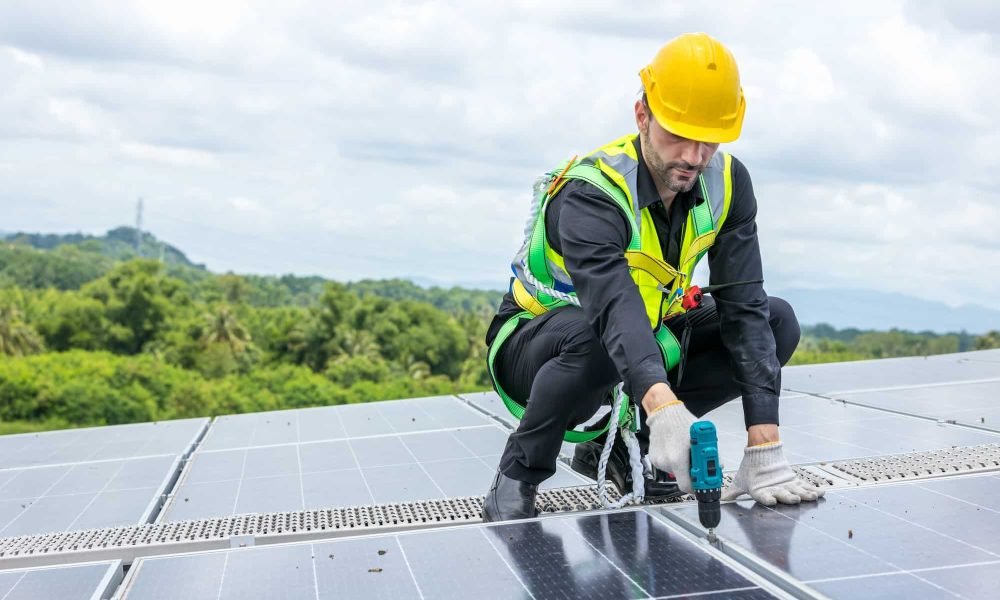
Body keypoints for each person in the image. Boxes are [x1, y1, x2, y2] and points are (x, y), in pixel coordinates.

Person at [481, 32, 824, 522]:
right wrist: (664, 404)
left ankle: (630, 444)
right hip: (541, 346)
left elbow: (743, 304)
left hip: (641, 338)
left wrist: (764, 444)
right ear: (642, 115)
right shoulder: (592, 191)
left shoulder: (727, 182)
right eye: (679, 134)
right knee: (599, 339)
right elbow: (612, 305)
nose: (693, 155)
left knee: (776, 321)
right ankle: (519, 471)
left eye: (708, 138)